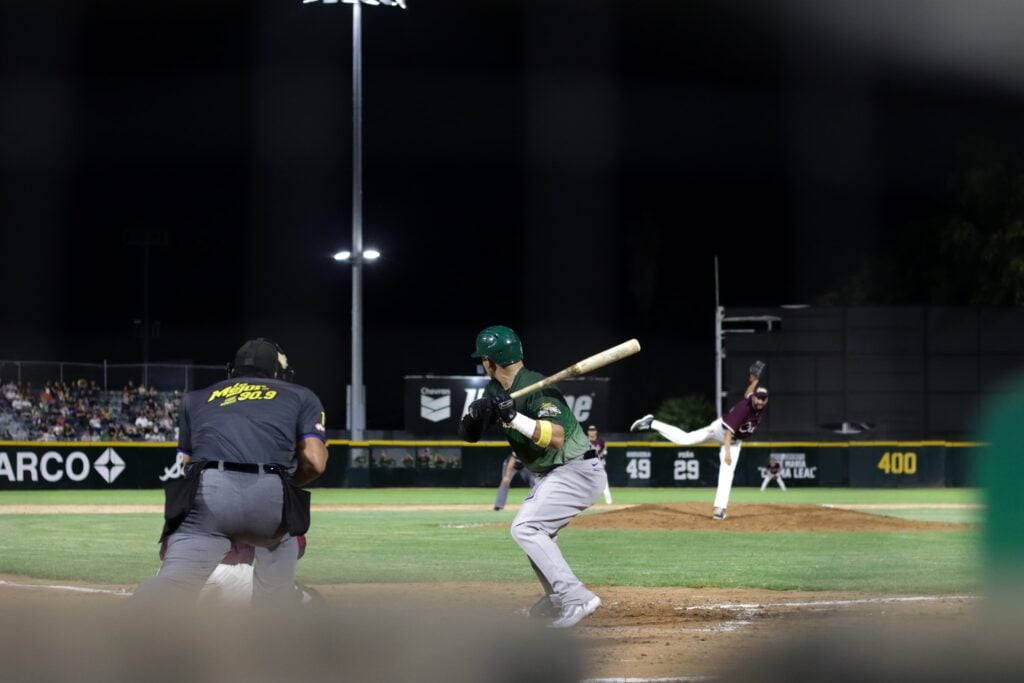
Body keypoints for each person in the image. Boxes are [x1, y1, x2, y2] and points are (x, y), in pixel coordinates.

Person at [133, 338, 328, 603]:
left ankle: (131, 619)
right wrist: (287, 486)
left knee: (171, 585)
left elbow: (187, 466)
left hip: (210, 493)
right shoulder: (300, 395)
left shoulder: (195, 399)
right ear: (275, 373)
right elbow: (316, 462)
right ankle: (278, 608)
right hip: (270, 494)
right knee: (283, 547)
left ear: (232, 371)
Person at [458, 325, 607, 629]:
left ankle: (576, 597)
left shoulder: (537, 385)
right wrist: (475, 416)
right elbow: (468, 436)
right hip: (554, 474)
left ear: (490, 361)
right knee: (538, 535)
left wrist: (513, 417)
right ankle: (556, 600)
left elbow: (556, 438)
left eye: (483, 359)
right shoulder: (496, 390)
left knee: (526, 527)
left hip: (575, 469)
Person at [630, 361, 769, 521]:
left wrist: (755, 380)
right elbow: (728, 432)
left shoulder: (756, 402)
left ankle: (720, 509)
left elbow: (748, 392)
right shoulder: (743, 409)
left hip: (735, 440)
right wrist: (727, 454)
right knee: (686, 440)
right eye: (758, 398)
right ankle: (651, 423)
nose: (760, 401)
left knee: (727, 472)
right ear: (754, 399)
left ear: (766, 399)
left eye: (763, 398)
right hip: (721, 431)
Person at [586, 425, 614, 504]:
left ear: (596, 431)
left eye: (593, 429)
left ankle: (609, 502)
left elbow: (605, 452)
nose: (591, 431)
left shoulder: (601, 441)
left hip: (599, 464)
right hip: (588, 465)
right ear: (588, 432)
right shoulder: (584, 441)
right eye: (590, 430)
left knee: (604, 482)